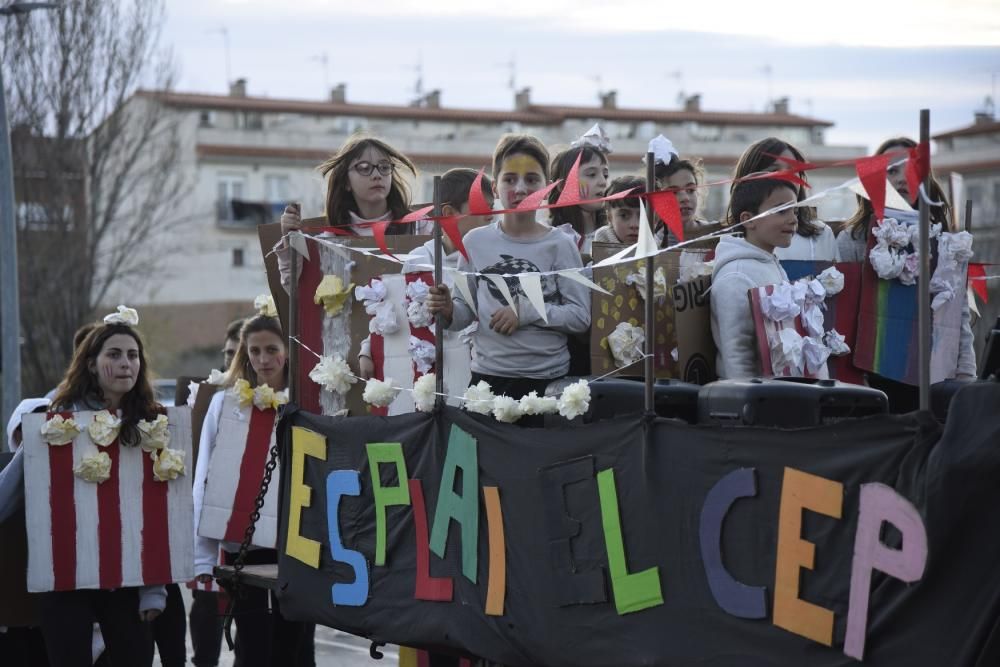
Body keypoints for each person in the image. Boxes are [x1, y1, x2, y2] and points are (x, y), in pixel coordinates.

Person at [35, 311, 168, 666]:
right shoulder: (58, 419)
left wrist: (153, 591)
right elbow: (19, 487)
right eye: (114, 355)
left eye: (132, 355)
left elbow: (160, 508)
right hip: (66, 576)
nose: (126, 364)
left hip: (125, 580)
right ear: (92, 365)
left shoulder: (154, 423)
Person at [426, 134, 591, 404]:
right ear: (496, 186)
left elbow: (581, 317)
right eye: (510, 179)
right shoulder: (475, 242)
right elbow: (463, 314)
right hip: (487, 380)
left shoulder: (561, 245)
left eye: (532, 179)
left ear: (546, 186)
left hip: (548, 384)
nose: (521, 188)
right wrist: (447, 309)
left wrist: (528, 310)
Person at [193, 311, 315, 667]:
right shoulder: (225, 404)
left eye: (271, 350)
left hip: (298, 547)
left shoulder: (307, 402)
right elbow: (206, 477)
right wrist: (203, 555)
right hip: (244, 548)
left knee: (296, 649)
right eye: (254, 351)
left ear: (288, 352)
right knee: (253, 647)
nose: (263, 360)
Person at [837, 137, 976, 409]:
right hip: (872, 376)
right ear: (874, 179)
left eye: (912, 170)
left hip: (933, 375)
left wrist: (966, 375)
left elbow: (957, 316)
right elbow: (842, 314)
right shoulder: (851, 239)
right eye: (892, 171)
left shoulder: (948, 242)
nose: (902, 179)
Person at [355, 169, 496, 380]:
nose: (491, 215)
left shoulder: (494, 258)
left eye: (492, 207)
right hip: (431, 374)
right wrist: (367, 350)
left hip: (482, 373)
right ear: (449, 214)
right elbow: (395, 312)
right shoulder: (419, 259)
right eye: (482, 207)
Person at [276, 135, 420, 290]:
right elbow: (297, 293)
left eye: (384, 167)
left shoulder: (418, 227)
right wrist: (290, 239)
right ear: (346, 182)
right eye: (364, 168)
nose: (377, 175)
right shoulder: (329, 241)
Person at [711, 178, 799, 379]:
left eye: (795, 211)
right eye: (781, 211)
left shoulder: (769, 262)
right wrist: (747, 403)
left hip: (777, 393)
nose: (793, 219)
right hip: (753, 400)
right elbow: (737, 352)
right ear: (749, 220)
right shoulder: (736, 276)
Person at [732, 137, 840, 262]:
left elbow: (834, 279)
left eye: (793, 170)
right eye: (774, 170)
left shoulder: (821, 233)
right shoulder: (733, 240)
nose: (786, 177)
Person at [547, 130, 611, 256]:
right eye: (592, 174)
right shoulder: (548, 237)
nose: (603, 182)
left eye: (605, 175)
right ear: (562, 186)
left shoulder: (615, 235)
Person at [594, 176, 647, 245]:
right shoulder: (603, 238)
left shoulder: (661, 242)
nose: (634, 225)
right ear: (609, 217)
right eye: (624, 215)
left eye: (643, 216)